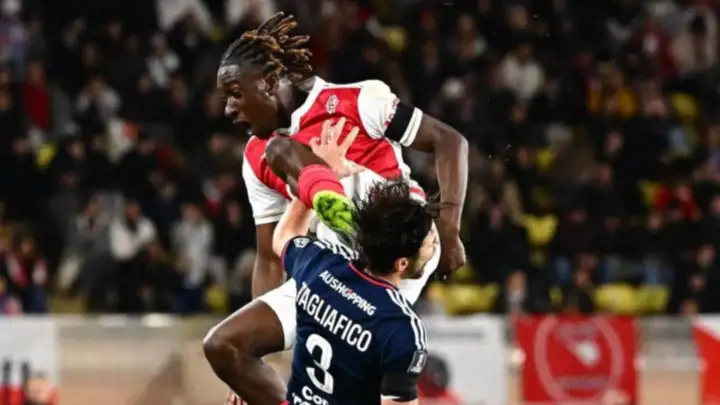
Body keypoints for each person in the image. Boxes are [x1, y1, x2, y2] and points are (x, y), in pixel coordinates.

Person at [204, 11, 467, 405]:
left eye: (235, 94)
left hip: (398, 237)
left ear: (271, 82)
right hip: (337, 270)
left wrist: (449, 230)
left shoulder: (358, 100)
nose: (228, 109)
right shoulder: (253, 159)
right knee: (226, 347)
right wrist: (250, 367)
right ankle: (330, 191)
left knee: (281, 151)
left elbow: (449, 141)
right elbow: (270, 257)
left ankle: (335, 194)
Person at [271, 175, 433, 405]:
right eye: (430, 242)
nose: (434, 244)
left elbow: (283, 237)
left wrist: (315, 179)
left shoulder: (321, 263)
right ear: (402, 264)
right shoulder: (401, 327)